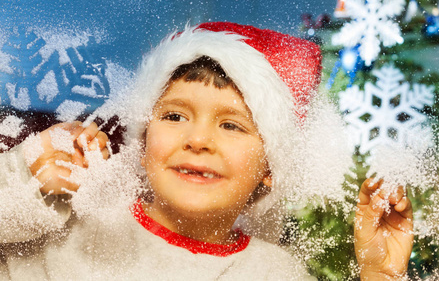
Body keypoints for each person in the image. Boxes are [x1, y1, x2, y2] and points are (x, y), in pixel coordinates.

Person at [0, 22, 413, 280]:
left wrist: (378, 275)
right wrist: (25, 180)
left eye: (231, 125)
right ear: (143, 146)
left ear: (269, 169)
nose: (197, 140)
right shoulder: (77, 216)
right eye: (175, 117)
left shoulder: (275, 272)